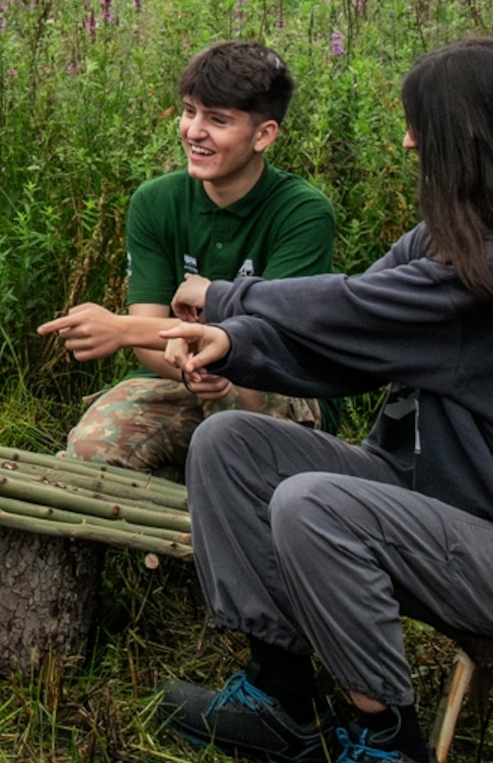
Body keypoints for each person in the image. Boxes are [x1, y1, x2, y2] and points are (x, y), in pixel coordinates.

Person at [147, 37, 493, 763]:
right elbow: (351, 339)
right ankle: (281, 698)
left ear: (467, 134)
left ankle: (393, 747)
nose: (406, 140)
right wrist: (238, 345)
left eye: (417, 123)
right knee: (229, 444)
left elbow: (352, 308)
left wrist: (224, 298)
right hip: (427, 500)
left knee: (313, 501)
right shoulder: (445, 240)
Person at [35, 41, 337, 474]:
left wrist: (120, 329)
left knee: (237, 400)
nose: (195, 131)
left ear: (264, 134)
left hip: (274, 384)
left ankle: (244, 519)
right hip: (177, 382)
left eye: (218, 120)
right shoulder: (156, 202)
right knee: (89, 450)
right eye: (190, 111)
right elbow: (150, 332)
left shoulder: (303, 212)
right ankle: (156, 528)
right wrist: (187, 368)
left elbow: (265, 339)